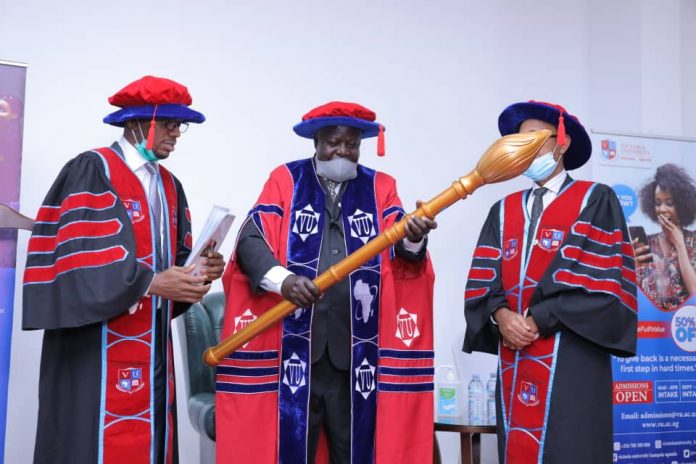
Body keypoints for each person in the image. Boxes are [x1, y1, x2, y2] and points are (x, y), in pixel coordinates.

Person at [216, 101, 436, 464]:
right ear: (316, 141)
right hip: (295, 349)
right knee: (294, 448)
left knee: (353, 452)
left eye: (352, 144)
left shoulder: (380, 186)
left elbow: (403, 253)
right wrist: (284, 282)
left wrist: (414, 237)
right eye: (334, 142)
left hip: (357, 352)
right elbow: (251, 241)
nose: (343, 151)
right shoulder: (287, 180)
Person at [22, 75, 225, 464]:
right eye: (169, 123)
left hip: (151, 345)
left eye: (180, 125)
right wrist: (151, 283)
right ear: (136, 123)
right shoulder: (93, 168)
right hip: (93, 345)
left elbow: (175, 264)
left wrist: (199, 271)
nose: (176, 133)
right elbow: (80, 259)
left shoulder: (169, 185)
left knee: (151, 439)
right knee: (90, 440)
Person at [463, 100, 638, 464]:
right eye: (518, 141)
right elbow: (484, 279)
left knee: (570, 448)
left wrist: (539, 319)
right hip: (514, 355)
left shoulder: (594, 199)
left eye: (533, 138)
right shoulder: (503, 210)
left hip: (572, 356)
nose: (523, 148)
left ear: (562, 141)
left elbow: (601, 282)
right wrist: (501, 316)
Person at [633, 163, 696, 310]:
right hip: (649, 322)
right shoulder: (646, 243)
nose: (661, 209)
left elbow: (694, 292)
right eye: (657, 203)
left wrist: (680, 245)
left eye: (669, 203)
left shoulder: (693, 241)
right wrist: (633, 266)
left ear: (681, 206)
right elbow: (635, 296)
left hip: (683, 322)